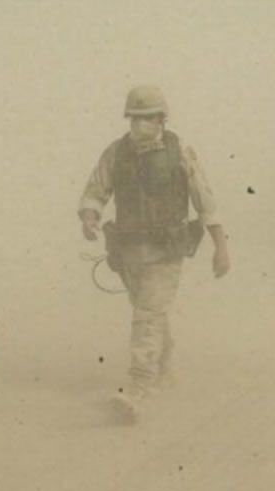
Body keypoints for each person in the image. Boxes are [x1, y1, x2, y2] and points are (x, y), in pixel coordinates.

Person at [78, 85, 231, 423]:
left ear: (161, 119)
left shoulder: (180, 152)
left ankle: (139, 389)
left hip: (166, 251)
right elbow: (96, 190)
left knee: (147, 314)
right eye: (134, 118)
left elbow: (206, 202)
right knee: (150, 312)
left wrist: (221, 248)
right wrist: (89, 217)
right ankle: (165, 369)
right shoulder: (116, 153)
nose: (139, 125)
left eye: (146, 118)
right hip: (129, 251)